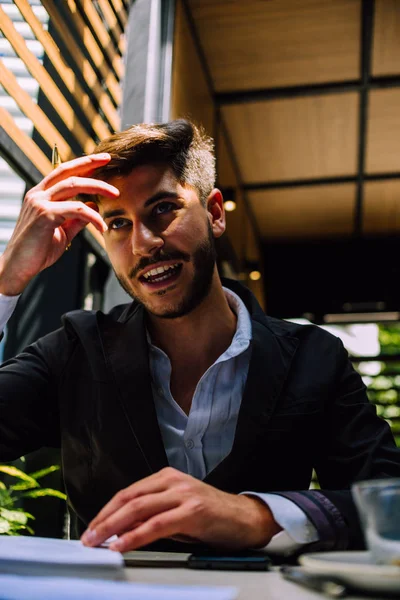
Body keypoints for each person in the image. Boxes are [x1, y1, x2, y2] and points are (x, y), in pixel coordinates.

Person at [0, 119, 399, 556]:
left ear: (213, 213)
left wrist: (256, 515)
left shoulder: (313, 357)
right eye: (118, 223)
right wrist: (6, 280)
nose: (143, 243)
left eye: (163, 209)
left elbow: (389, 503)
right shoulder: (76, 350)